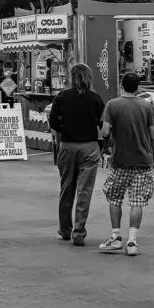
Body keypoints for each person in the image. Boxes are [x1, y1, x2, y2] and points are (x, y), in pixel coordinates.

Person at [98, 72, 154, 257]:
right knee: (137, 201)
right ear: (138, 87)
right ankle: (132, 242)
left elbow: (106, 131)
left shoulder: (112, 105)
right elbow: (152, 134)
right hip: (143, 160)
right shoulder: (146, 106)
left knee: (115, 198)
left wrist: (105, 147)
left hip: (120, 161)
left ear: (121, 85)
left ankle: (116, 237)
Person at [48, 63, 104, 247]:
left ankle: (65, 230)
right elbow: (103, 125)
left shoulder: (62, 97)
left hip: (68, 146)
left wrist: (64, 131)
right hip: (89, 147)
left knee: (67, 189)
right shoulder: (95, 98)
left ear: (72, 77)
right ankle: (79, 232)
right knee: (84, 191)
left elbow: (53, 123)